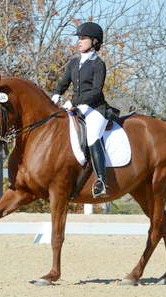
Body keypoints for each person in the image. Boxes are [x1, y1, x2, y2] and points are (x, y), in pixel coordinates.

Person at [51, 22, 109, 198]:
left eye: (83, 38)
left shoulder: (98, 64)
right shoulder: (74, 62)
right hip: (77, 107)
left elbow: (96, 91)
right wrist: (56, 93)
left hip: (95, 108)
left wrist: (73, 101)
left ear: (94, 41)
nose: (79, 41)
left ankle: (101, 180)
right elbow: (64, 82)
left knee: (92, 136)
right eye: (79, 38)